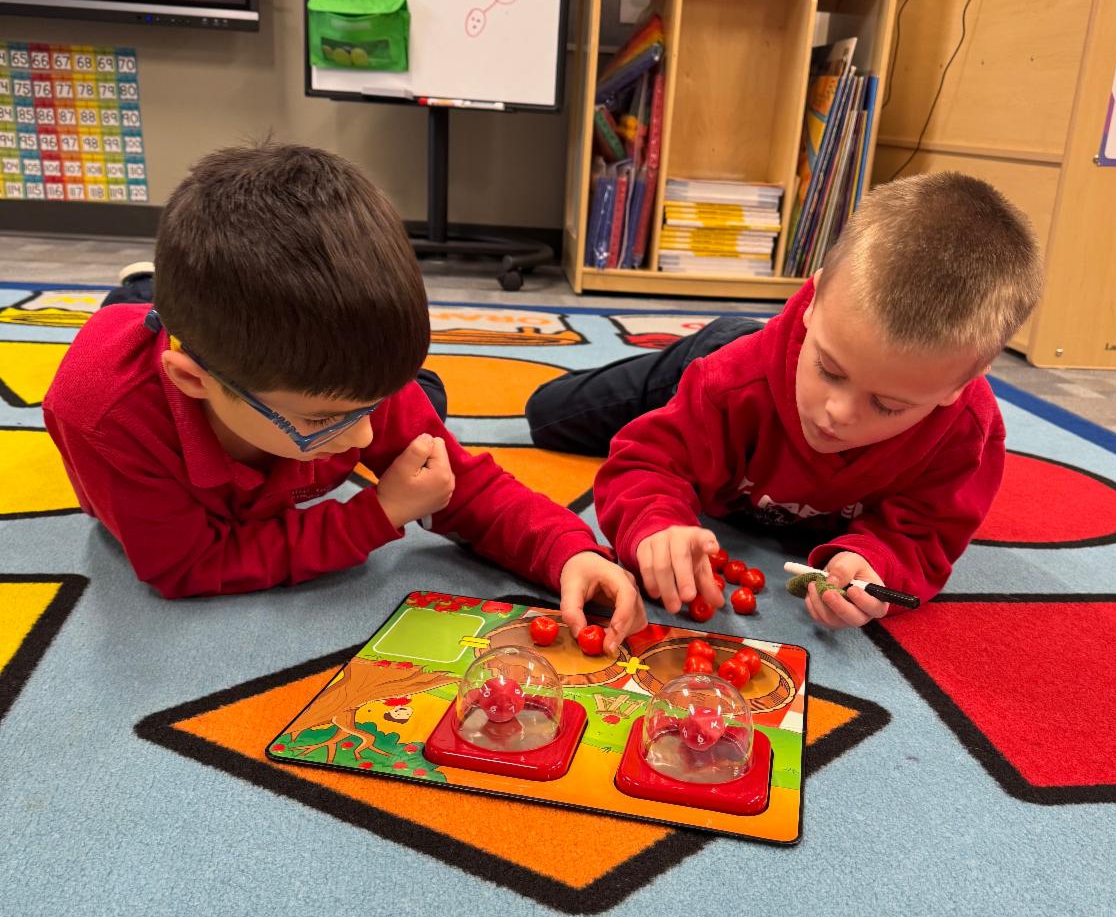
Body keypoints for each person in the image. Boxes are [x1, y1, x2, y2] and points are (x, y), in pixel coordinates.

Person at [44, 142, 643, 653]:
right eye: (322, 419)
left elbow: (464, 486)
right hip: (132, 380)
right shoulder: (102, 416)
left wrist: (568, 551)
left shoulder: (346, 381)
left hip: (246, 367)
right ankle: (140, 289)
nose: (362, 438)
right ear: (194, 381)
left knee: (424, 404)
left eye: (372, 406)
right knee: (143, 311)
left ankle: (160, 294)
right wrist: (376, 514)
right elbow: (189, 563)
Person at [526, 172, 1043, 630]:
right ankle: (706, 347)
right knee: (549, 417)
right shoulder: (730, 381)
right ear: (813, 301)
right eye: (830, 370)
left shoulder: (966, 433)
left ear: (960, 385)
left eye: (888, 405)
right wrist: (656, 524)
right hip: (719, 363)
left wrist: (875, 562)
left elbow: (925, 533)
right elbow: (646, 462)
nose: (839, 412)